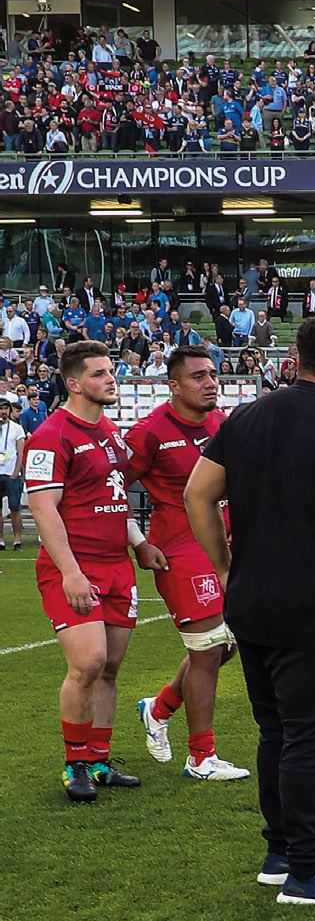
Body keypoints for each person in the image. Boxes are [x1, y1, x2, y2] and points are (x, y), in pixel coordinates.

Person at [186, 317, 315, 904]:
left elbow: (197, 493)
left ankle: (281, 851)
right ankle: (304, 869)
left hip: (252, 602)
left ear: (295, 357)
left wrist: (225, 566)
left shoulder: (248, 417)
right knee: (309, 736)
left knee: (276, 730)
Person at [24, 341, 163, 802]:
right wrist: (70, 572)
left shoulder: (108, 430)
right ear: (74, 383)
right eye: (100, 374)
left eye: (111, 371)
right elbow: (44, 510)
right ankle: (74, 764)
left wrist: (139, 544)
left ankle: (99, 761)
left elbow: (116, 501)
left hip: (118, 567)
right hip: (76, 568)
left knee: (110, 668)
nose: (111, 379)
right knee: (86, 664)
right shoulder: (51, 435)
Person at [124, 346, 250, 782]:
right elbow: (107, 487)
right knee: (209, 647)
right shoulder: (150, 431)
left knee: (227, 645)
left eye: (213, 374)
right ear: (173, 386)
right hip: (179, 551)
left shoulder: (223, 424)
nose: (210, 382)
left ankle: (157, 709)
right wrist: (137, 541)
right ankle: (201, 757)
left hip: (225, 547)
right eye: (198, 377)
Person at [0, 395, 25, 550]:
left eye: (5, 409)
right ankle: (1, 540)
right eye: (1, 409)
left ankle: (17, 540)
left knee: (14, 508)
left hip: (11, 473)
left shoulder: (17, 428)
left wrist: (16, 472)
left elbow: (20, 452)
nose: (3, 412)